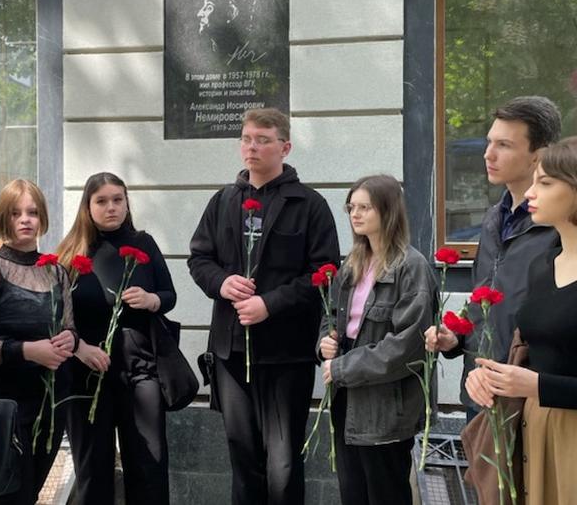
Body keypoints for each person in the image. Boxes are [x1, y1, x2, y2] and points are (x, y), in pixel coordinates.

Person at [187, 108, 340, 505]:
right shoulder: (223, 201)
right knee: (243, 458)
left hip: (286, 354)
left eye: (263, 140)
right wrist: (222, 283)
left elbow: (324, 273)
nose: (251, 147)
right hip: (231, 353)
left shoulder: (309, 204)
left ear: (284, 148)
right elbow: (199, 259)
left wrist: (269, 304)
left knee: (283, 465)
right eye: (246, 139)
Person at [426, 96, 561, 419]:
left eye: (504, 145)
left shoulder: (560, 226)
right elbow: (485, 299)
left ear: (538, 155)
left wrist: (534, 379)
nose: (488, 154)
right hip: (480, 392)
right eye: (489, 142)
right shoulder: (492, 219)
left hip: (532, 400)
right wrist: (456, 337)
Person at [466, 137, 577, 504]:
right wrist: (491, 378)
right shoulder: (543, 266)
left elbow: (539, 376)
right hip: (534, 436)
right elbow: (532, 350)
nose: (530, 192)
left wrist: (539, 385)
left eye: (545, 182)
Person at [317, 175, 437, 505]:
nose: (355, 214)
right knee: (353, 493)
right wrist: (324, 342)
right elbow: (330, 315)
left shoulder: (411, 268)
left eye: (365, 207)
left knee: (385, 494)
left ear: (388, 211)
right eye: (351, 207)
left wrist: (342, 368)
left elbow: (407, 346)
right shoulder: (353, 263)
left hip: (386, 405)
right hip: (347, 398)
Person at [58, 172, 177, 505]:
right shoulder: (72, 252)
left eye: (117, 200)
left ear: (126, 203)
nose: (111, 207)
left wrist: (151, 300)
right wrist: (79, 348)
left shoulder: (144, 243)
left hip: (140, 369)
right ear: (88, 206)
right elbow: (56, 316)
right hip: (86, 373)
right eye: (102, 201)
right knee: (93, 469)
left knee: (149, 465)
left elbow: (169, 294)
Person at [0, 179, 76, 505]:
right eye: (15, 213)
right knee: (12, 498)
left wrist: (70, 338)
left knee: (31, 495)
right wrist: (26, 351)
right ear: (3, 218)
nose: (25, 220)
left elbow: (70, 328)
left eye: (32, 212)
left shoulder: (57, 272)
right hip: (5, 405)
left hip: (51, 403)